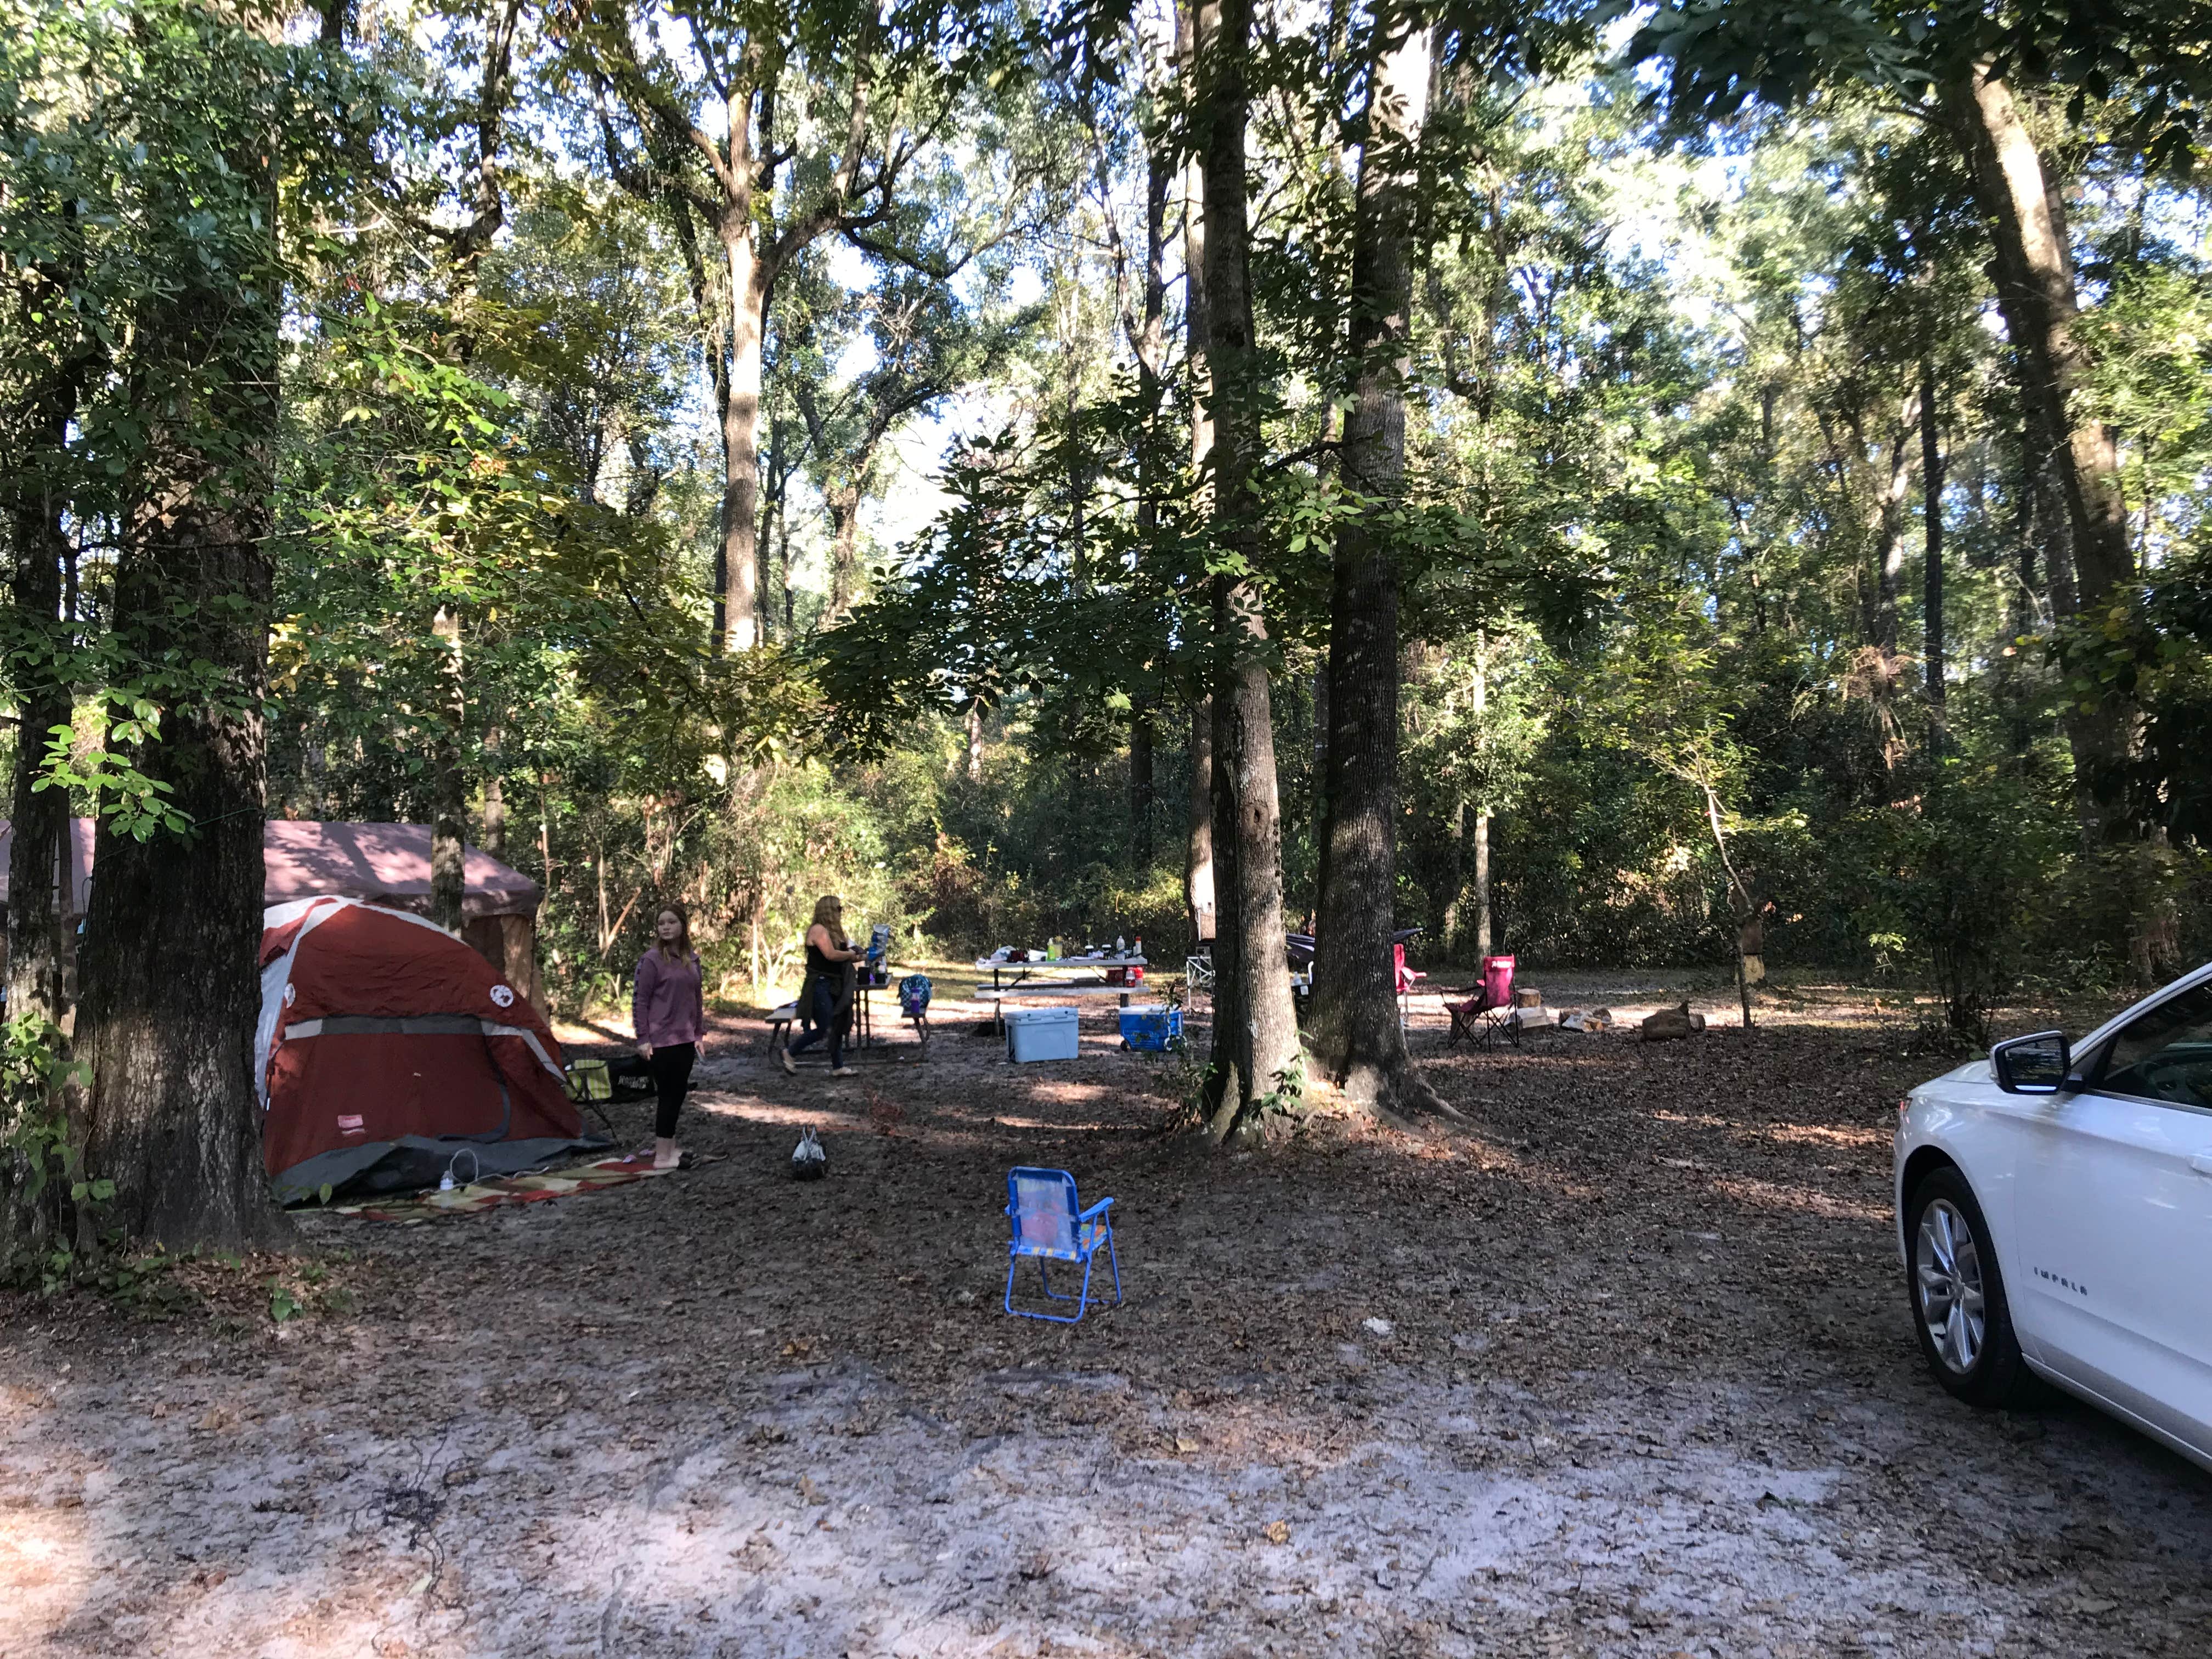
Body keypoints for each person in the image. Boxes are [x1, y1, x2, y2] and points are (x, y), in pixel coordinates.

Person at [633, 905, 706, 1169]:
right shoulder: (651, 960)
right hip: (660, 1040)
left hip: (686, 1038)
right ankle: (662, 1157)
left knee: (678, 1094)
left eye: (671, 922)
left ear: (683, 926)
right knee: (668, 1096)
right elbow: (640, 1000)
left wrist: (699, 1033)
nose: (665, 927)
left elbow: (697, 998)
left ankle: (670, 1148)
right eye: (661, 923)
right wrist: (643, 1038)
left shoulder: (692, 959)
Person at [782, 895, 861, 1077]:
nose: (840, 912)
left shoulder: (834, 932)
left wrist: (859, 955)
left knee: (837, 1024)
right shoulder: (818, 930)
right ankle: (790, 1052)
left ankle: (838, 1067)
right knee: (825, 1028)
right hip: (819, 985)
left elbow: (843, 953)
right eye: (838, 908)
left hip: (833, 984)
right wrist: (850, 955)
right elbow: (831, 955)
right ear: (829, 910)